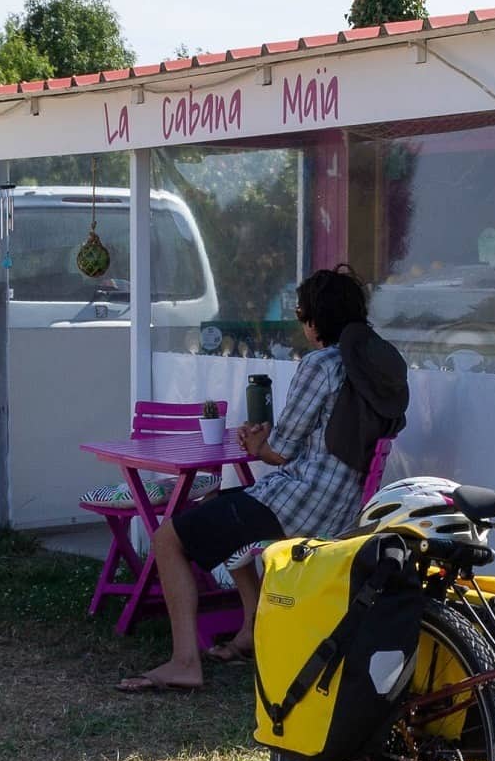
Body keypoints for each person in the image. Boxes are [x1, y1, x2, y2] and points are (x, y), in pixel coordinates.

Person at [119, 265, 408, 693]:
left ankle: (184, 662)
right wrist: (269, 447)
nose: (303, 324)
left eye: (303, 314)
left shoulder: (321, 365)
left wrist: (257, 445)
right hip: (342, 505)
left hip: (299, 504)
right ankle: (251, 631)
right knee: (225, 504)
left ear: (317, 320)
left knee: (167, 538)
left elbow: (283, 450)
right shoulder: (370, 364)